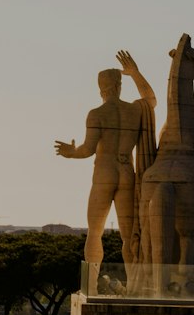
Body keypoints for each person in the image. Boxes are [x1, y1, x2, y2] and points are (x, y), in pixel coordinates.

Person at [54, 49, 155, 269]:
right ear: (120, 85)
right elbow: (150, 100)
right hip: (127, 173)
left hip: (104, 173)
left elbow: (88, 149)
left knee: (95, 231)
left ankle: (92, 281)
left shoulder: (96, 114)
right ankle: (133, 284)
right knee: (129, 236)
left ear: (101, 88)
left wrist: (71, 153)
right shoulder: (134, 111)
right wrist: (135, 73)